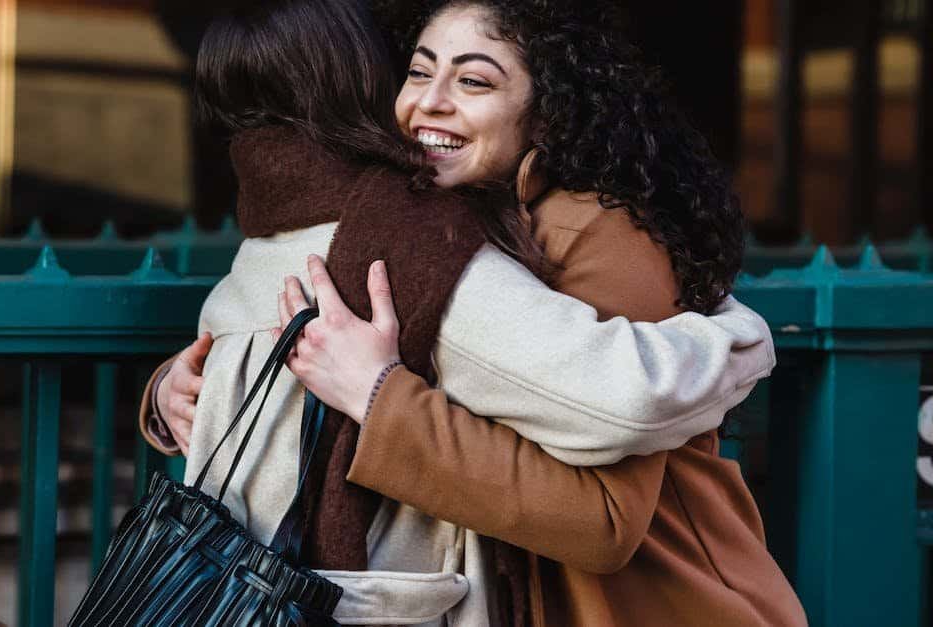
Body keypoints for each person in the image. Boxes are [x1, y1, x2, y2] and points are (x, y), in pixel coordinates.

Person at [142, 0, 796, 624]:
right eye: (420, 71)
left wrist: (380, 399)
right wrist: (185, 381)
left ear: (546, 111)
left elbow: (603, 520)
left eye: (474, 82)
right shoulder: (440, 222)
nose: (430, 101)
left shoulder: (594, 228)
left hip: (653, 604)